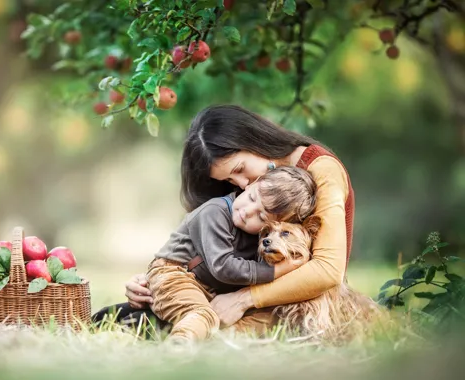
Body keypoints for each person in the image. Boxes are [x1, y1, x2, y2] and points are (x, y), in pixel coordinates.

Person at [94, 104, 354, 334]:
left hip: (291, 299)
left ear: (254, 141)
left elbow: (329, 271)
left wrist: (245, 299)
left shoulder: (321, 170)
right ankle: (158, 317)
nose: (241, 184)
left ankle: (167, 327)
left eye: (240, 170)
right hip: (231, 287)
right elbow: (208, 247)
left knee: (241, 330)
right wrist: (154, 280)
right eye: (230, 180)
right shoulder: (246, 198)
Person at [146, 166, 317, 342]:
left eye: (261, 217)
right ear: (251, 185)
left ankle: (220, 340)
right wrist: (277, 270)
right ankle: (182, 341)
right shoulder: (214, 212)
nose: (247, 211)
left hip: (211, 288)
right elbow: (223, 267)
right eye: (252, 198)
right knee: (200, 313)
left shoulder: (260, 236)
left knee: (268, 316)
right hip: (176, 274)